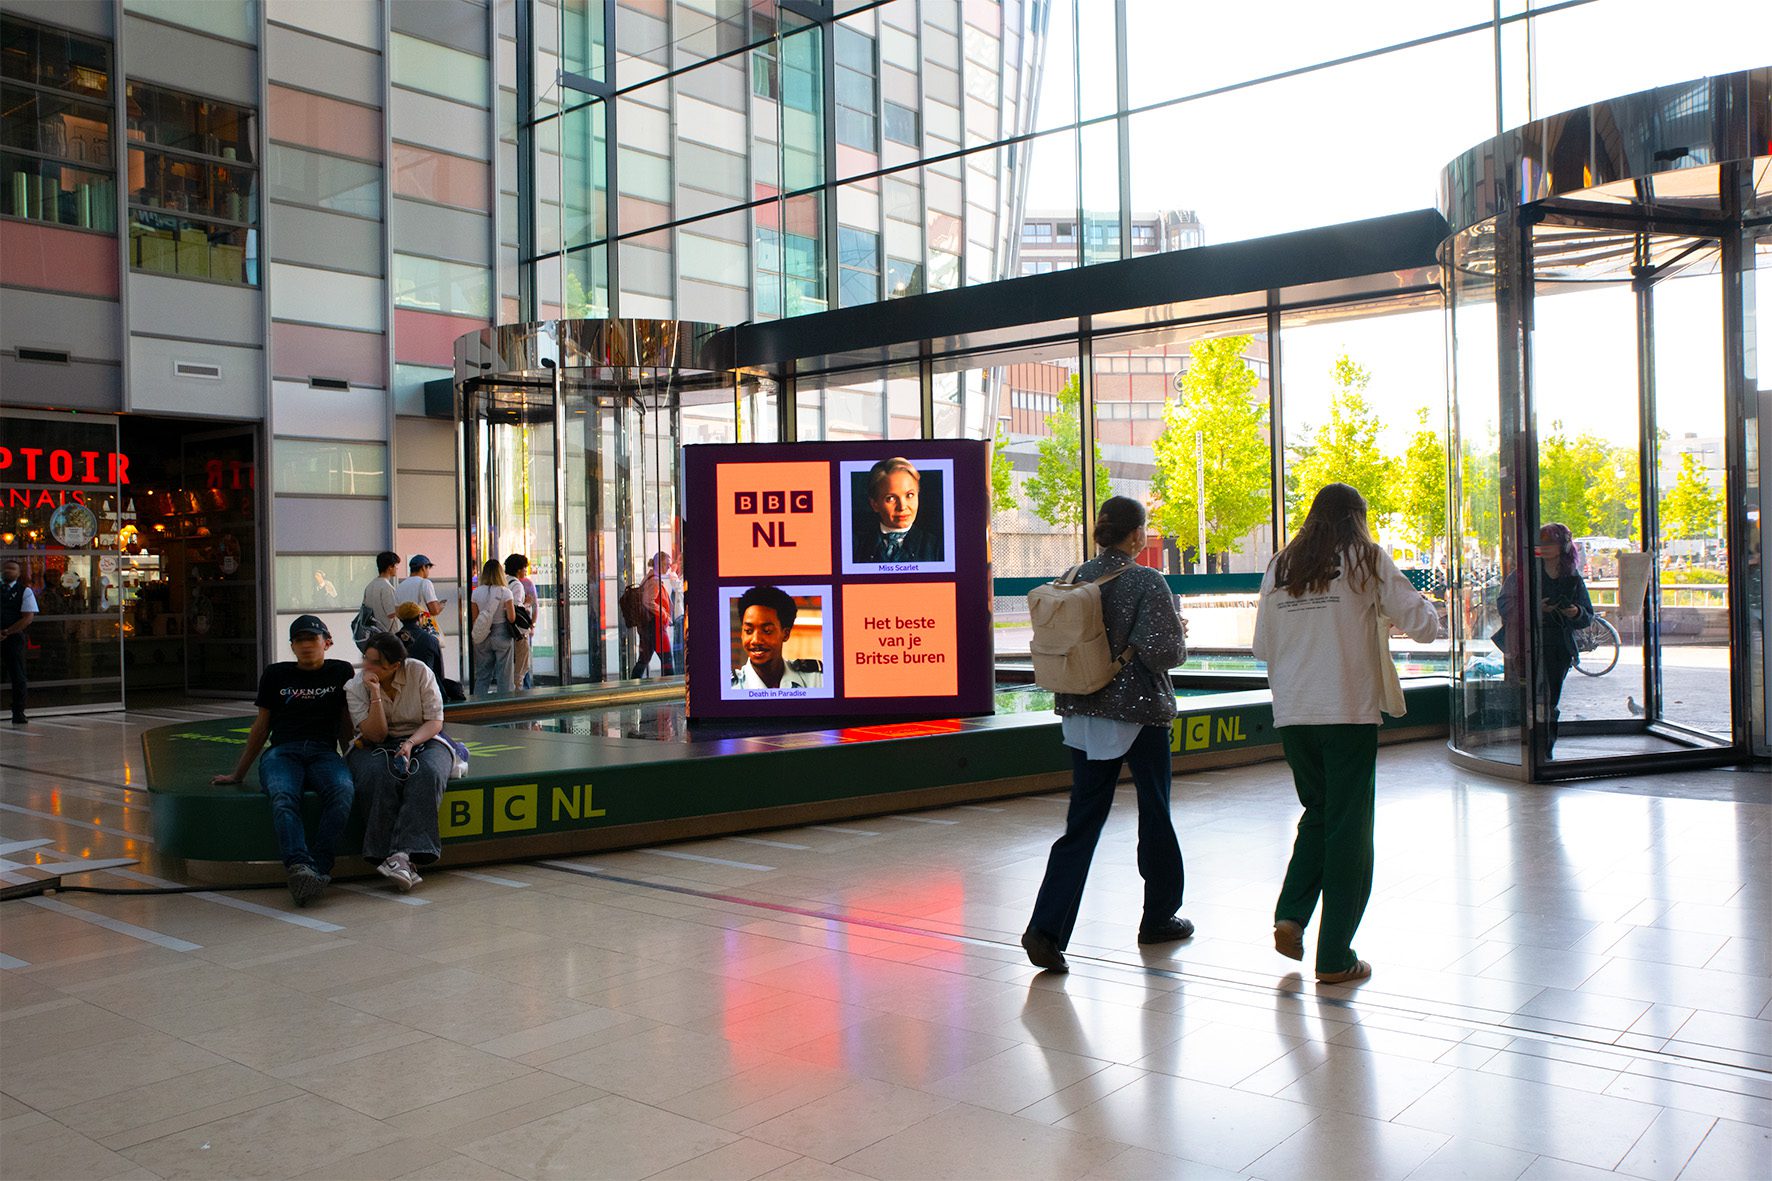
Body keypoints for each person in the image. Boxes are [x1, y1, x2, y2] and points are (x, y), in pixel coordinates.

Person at [1251, 483, 1438, 986]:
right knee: (1350, 833)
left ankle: (1291, 913)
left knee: (1319, 815)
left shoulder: (1279, 566)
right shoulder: (1366, 559)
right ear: (1357, 517)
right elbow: (1425, 627)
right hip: (1347, 713)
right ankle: (1335, 956)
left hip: (1293, 714)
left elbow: (1261, 648)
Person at [1022, 497, 1191, 974]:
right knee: (1155, 813)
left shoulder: (1074, 575)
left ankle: (1046, 928)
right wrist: (1179, 629)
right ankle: (1159, 916)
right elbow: (1165, 653)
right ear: (1136, 535)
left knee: (1082, 824)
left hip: (1080, 711)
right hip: (1138, 714)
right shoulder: (1146, 580)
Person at [211, 615, 354, 905]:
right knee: (283, 796)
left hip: (323, 752)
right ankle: (299, 865)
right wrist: (238, 773)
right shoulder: (276, 675)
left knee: (342, 791)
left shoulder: (341, 671)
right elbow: (261, 726)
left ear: (327, 642)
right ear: (291, 646)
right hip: (283, 751)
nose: (305, 646)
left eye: (311, 639)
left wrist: (351, 760)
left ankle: (319, 868)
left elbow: (345, 723)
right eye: (298, 640)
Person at [346, 633, 448, 891]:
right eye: (365, 659)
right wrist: (376, 694)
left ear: (395, 665)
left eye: (375, 662)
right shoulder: (355, 686)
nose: (366, 667)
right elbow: (376, 734)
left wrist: (411, 743)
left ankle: (400, 856)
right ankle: (395, 857)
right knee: (378, 773)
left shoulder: (419, 672)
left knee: (426, 771)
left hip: (423, 737)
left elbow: (435, 720)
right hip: (374, 743)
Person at [1532, 522, 1594, 756]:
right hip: (1534, 642)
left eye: (1550, 542)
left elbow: (1587, 614)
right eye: (1541, 542)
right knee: (1535, 699)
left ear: (1563, 546)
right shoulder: (1529, 573)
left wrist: (1575, 612)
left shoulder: (1572, 577)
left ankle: (1545, 749)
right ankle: (1537, 747)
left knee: (1551, 701)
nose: (1544, 547)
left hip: (1558, 645)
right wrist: (1536, 609)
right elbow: (1511, 605)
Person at [730, 585, 822, 689]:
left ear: (786, 634)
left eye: (767, 631)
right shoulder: (730, 686)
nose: (755, 640)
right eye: (749, 631)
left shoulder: (816, 679)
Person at [856, 457, 941, 563]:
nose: (902, 507)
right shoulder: (856, 545)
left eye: (910, 495)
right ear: (875, 504)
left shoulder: (936, 547)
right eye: (891, 498)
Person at [468, 558, 515, 695]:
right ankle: (504, 707)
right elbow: (512, 618)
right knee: (504, 676)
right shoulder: (506, 592)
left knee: (483, 676)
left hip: (483, 635)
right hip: (502, 633)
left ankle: (478, 707)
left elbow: (475, 619)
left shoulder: (476, 592)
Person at [1, 558, 39, 725]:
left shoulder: (25, 591)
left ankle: (18, 711)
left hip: (13, 638)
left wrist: (8, 632)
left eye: (12, 569)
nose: (8, 571)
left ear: (18, 573)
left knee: (17, 675)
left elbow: (28, 617)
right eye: (6, 568)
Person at [631, 551, 675, 679]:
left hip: (648, 627)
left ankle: (633, 686)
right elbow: (648, 601)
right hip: (655, 627)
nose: (669, 567)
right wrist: (664, 613)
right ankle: (670, 690)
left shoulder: (650, 578)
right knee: (667, 660)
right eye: (667, 564)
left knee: (643, 660)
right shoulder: (654, 580)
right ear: (659, 564)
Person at [504, 553, 537, 690]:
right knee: (521, 666)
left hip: (505, 629)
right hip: (517, 631)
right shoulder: (517, 585)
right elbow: (516, 609)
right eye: (524, 568)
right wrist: (527, 604)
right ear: (518, 569)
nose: (525, 571)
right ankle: (518, 694)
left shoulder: (504, 581)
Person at [394, 601, 446, 686]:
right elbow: (439, 672)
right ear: (419, 617)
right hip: (426, 685)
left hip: (401, 686)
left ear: (400, 618)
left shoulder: (393, 640)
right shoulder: (431, 640)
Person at [360, 550, 401, 637]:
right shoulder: (387, 587)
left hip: (372, 633)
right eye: (396, 565)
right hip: (387, 634)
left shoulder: (370, 586)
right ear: (390, 567)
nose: (397, 568)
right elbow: (391, 613)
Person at [396, 554, 444, 625]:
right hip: (423, 629)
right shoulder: (425, 583)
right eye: (428, 567)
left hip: (406, 630)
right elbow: (435, 610)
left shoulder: (400, 586)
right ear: (423, 567)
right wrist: (441, 605)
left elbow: (397, 612)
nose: (428, 571)